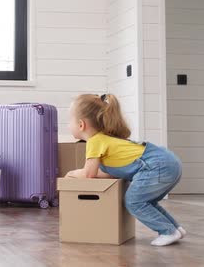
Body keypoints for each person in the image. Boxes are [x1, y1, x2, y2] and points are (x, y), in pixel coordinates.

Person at [65, 94, 185, 246]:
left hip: (156, 165)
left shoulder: (95, 141)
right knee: (147, 201)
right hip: (167, 162)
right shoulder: (106, 140)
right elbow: (107, 173)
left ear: (81, 124)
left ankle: (167, 231)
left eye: (69, 121)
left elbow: (89, 174)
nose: (68, 125)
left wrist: (72, 174)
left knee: (133, 201)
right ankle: (176, 229)